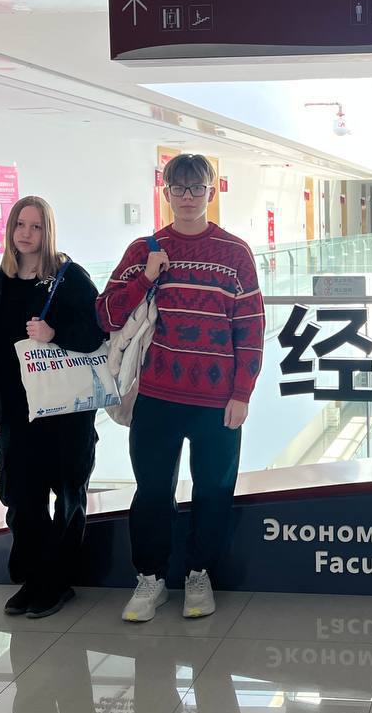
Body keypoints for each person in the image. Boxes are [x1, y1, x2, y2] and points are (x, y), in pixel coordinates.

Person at [97, 153, 265, 624]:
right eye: (179, 188)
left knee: (214, 490)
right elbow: (106, 314)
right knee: (152, 491)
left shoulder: (236, 253)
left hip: (217, 402)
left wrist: (242, 393)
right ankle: (150, 578)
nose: (188, 197)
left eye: (197, 188)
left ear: (212, 191)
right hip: (156, 396)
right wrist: (147, 276)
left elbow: (250, 327)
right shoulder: (143, 250)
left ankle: (199, 574)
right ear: (166, 191)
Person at [0, 196, 106, 618]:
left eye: (36, 226)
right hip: (18, 411)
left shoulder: (69, 277)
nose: (26, 234)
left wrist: (54, 332)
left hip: (66, 412)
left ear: (48, 232)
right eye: (20, 225)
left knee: (68, 494)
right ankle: (33, 578)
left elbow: (97, 334)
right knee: (23, 498)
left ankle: (57, 582)